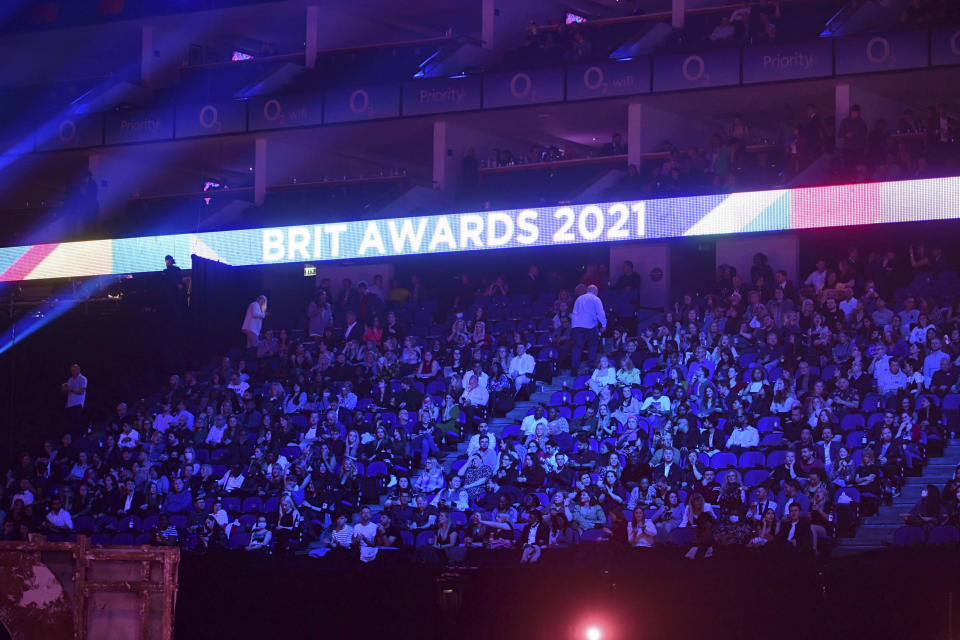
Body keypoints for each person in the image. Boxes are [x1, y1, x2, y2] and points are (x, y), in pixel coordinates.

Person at [570, 285, 607, 373]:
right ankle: (590, 367)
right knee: (592, 345)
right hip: (590, 325)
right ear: (596, 291)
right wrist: (604, 325)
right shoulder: (596, 299)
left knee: (577, 347)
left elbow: (574, 312)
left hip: (577, 326)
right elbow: (600, 313)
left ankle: (574, 368)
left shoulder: (579, 299)